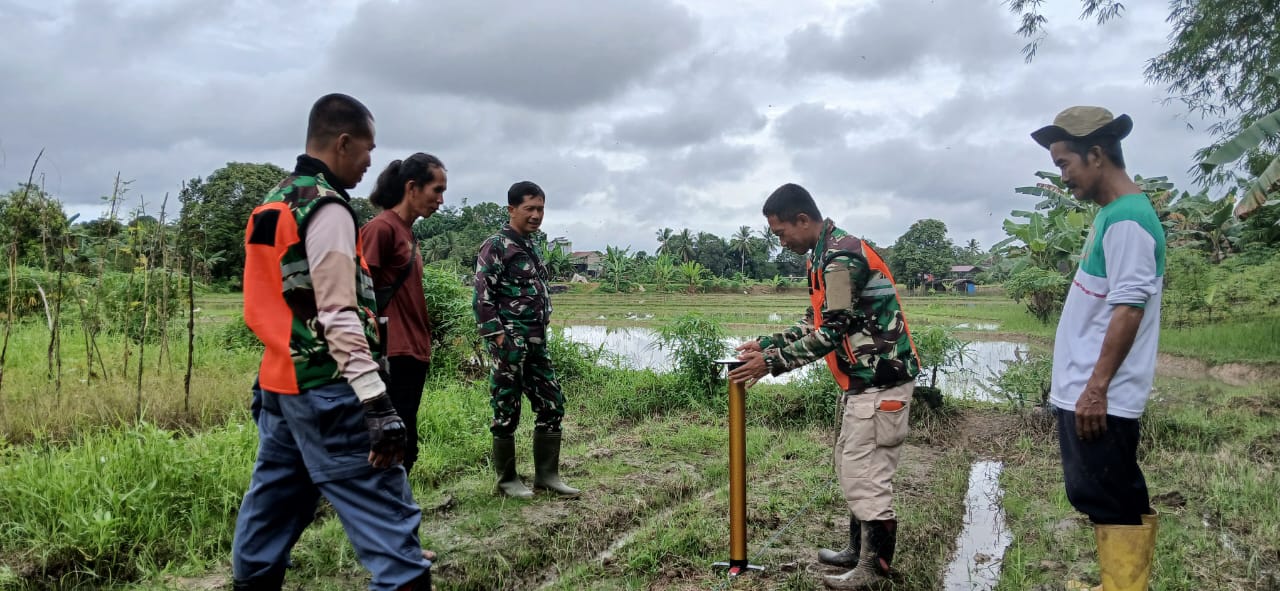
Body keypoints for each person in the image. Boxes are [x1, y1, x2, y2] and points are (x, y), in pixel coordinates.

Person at [233, 93, 431, 591]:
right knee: (395, 541)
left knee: (267, 525)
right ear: (343, 142)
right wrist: (375, 399)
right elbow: (337, 312)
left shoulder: (273, 201)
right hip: (329, 390)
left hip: (279, 387)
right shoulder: (326, 208)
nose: (370, 163)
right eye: (366, 149)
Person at [729, 183, 920, 591]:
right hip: (864, 383)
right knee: (853, 465)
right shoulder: (822, 256)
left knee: (865, 472)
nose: (781, 242)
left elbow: (833, 331)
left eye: (781, 233)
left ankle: (873, 570)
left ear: (803, 219)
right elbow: (813, 320)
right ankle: (858, 551)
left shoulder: (840, 257)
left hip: (879, 381)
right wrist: (766, 344)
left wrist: (772, 363)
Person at [1031, 106, 1163, 591]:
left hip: (1100, 394)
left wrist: (1095, 389)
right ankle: (1120, 582)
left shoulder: (1128, 218)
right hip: (1089, 389)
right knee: (1102, 491)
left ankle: (1125, 586)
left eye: (1065, 164)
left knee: (1111, 498)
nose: (1063, 176)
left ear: (1096, 154)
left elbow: (1129, 308)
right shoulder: (1114, 214)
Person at [473, 181, 580, 499]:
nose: (536, 215)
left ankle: (547, 476)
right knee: (506, 410)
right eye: (529, 209)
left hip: (536, 342)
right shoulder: (496, 245)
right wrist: (499, 337)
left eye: (540, 209)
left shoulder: (531, 244)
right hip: (509, 344)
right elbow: (482, 296)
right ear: (512, 210)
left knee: (552, 404)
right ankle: (507, 481)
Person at [361, 153, 447, 475]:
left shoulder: (406, 232)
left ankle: (393, 514)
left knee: (405, 442)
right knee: (393, 442)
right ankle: (386, 516)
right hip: (392, 354)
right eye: (436, 190)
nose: (440, 200)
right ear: (412, 187)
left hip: (412, 352)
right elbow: (360, 294)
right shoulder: (381, 229)